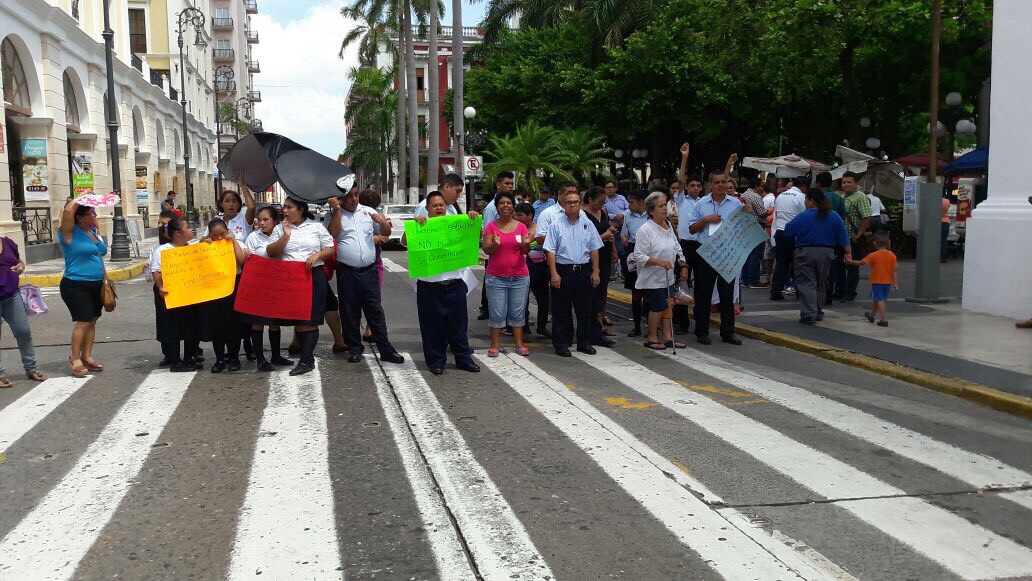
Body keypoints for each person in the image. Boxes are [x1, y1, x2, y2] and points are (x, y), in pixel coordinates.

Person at [404, 191, 480, 375]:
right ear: (427, 208)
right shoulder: (421, 226)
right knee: (432, 327)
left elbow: (476, 235)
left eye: (441, 205)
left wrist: (473, 219)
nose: (439, 208)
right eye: (434, 205)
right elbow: (405, 241)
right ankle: (436, 361)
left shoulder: (456, 223)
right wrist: (415, 225)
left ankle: (463, 358)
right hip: (429, 288)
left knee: (458, 325)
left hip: (455, 285)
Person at [327, 188, 405, 365]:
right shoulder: (334, 214)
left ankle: (386, 350)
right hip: (347, 272)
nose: (354, 199)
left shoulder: (368, 211)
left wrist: (381, 221)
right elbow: (333, 234)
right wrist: (337, 210)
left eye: (356, 195)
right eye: (349, 196)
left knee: (375, 311)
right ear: (341, 198)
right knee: (350, 312)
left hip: (369, 270)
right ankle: (354, 349)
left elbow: (385, 233)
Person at [264, 197, 337, 375]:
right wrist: (286, 235)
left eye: (289, 207)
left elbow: (330, 248)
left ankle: (306, 360)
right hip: (289, 277)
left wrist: (317, 256)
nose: (285, 211)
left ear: (301, 209)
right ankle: (306, 359)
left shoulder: (316, 227)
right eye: (284, 207)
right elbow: (270, 251)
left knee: (310, 320)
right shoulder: (279, 228)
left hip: (313, 275)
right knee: (298, 320)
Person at [544, 189, 603, 357]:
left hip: (583, 271)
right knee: (561, 310)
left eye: (576, 202)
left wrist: (596, 271)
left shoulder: (587, 224)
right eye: (569, 202)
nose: (572, 205)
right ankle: (561, 343)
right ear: (564, 204)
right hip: (564, 271)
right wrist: (554, 274)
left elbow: (594, 248)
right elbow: (550, 251)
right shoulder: (556, 224)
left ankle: (584, 343)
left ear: (580, 204)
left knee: (585, 309)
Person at [688, 171, 743, 345]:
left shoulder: (735, 203)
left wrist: (747, 214)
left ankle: (728, 332)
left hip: (727, 253)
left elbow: (741, 226)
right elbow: (691, 229)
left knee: (727, 294)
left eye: (723, 182)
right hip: (706, 252)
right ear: (710, 185)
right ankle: (701, 330)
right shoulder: (701, 204)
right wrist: (706, 220)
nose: (721, 185)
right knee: (703, 293)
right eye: (717, 182)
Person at [631, 191, 688, 350]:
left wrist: (682, 263)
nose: (665, 208)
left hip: (668, 275)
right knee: (658, 306)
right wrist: (659, 262)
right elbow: (638, 256)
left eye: (665, 205)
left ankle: (667, 336)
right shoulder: (645, 229)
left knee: (669, 305)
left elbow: (676, 247)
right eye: (661, 206)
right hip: (652, 277)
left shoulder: (668, 225)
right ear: (651, 210)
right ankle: (652, 337)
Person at [783, 189, 850, 324]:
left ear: (811, 201)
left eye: (806, 199)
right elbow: (843, 237)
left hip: (805, 252)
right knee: (821, 283)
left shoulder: (803, 216)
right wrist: (849, 253)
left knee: (807, 282)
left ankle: (809, 313)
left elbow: (788, 230)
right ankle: (818, 311)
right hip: (827, 253)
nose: (804, 202)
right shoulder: (834, 216)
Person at [58, 199, 108, 378]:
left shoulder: (91, 232)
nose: (94, 216)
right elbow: (67, 213)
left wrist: (96, 230)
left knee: (92, 321)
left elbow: (102, 251)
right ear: (79, 217)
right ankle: (75, 358)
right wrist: (81, 197)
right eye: (90, 213)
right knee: (83, 321)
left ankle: (87, 356)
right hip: (76, 284)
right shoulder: (68, 233)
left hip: (96, 284)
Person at [243, 206, 295, 371]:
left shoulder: (281, 234)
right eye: (260, 220)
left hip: (277, 284)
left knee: (275, 322)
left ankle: (276, 356)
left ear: (275, 221)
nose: (262, 223)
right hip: (258, 285)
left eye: (266, 219)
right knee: (258, 323)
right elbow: (248, 260)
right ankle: (260, 359)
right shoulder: (253, 237)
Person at [198, 218, 252, 373]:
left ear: (228, 230)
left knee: (233, 325)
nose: (220, 238)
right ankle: (219, 359)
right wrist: (203, 243)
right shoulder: (207, 245)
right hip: (214, 289)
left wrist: (233, 242)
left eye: (222, 233)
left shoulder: (237, 243)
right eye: (215, 235)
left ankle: (234, 357)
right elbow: (196, 260)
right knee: (216, 326)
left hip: (234, 287)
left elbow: (241, 260)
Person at [482, 191, 531, 356]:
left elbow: (525, 251)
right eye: (501, 203)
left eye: (508, 203)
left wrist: (526, 244)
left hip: (519, 277)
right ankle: (494, 346)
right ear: (497, 207)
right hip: (496, 278)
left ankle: (519, 344)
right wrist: (495, 244)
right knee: (497, 313)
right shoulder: (491, 226)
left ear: (513, 206)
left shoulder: (521, 227)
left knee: (517, 312)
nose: (505, 205)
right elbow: (487, 250)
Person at [150, 216, 203, 373]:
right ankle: (175, 361)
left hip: (189, 295)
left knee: (190, 327)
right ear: (179, 233)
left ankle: (188, 358)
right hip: (170, 295)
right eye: (187, 227)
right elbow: (156, 271)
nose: (191, 230)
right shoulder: (163, 250)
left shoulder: (191, 248)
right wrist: (161, 287)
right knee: (172, 327)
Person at [0, 235, 45, 386]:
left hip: (11, 294)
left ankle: (31, 368)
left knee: (23, 331)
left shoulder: (7, 243)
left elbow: (20, 262)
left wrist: (20, 267)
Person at [674, 143, 704, 335]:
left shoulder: (704, 202)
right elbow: (680, 180)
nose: (695, 188)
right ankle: (681, 322)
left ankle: (701, 321)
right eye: (692, 185)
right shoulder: (681, 200)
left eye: (698, 185)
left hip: (701, 245)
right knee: (682, 282)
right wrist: (684, 157)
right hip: (684, 245)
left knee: (701, 284)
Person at [583, 186, 618, 347]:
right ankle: (591, 329)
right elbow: (585, 239)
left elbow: (608, 228)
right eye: (599, 202)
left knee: (602, 292)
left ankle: (599, 327)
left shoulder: (602, 211)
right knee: (592, 294)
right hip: (590, 258)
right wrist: (602, 237)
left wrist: (613, 247)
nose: (601, 205)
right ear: (590, 199)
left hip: (604, 255)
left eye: (604, 202)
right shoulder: (583, 215)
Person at [478, 171, 515, 320]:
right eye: (507, 183)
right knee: (490, 283)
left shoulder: (515, 203)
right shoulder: (490, 209)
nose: (510, 186)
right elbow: (488, 233)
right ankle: (487, 309)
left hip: (513, 255)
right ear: (498, 185)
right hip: (495, 254)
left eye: (512, 183)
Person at [845, 232, 898, 327]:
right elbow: (894, 270)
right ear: (888, 243)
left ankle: (883, 319)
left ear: (874, 243)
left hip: (877, 282)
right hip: (887, 282)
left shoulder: (873, 255)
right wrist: (895, 283)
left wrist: (850, 261)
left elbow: (860, 263)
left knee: (880, 300)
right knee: (877, 300)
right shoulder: (892, 255)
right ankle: (872, 316)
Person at [770, 174, 808, 300]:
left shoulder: (780, 196)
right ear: (804, 186)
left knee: (781, 264)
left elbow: (776, 215)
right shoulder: (802, 197)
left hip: (780, 232)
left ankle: (775, 291)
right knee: (798, 264)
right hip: (795, 234)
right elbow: (804, 216)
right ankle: (799, 292)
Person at [515, 202, 550, 337]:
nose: (517, 218)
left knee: (544, 300)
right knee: (522, 300)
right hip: (521, 268)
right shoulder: (516, 229)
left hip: (540, 268)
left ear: (530, 215)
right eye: (516, 215)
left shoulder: (540, 230)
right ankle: (523, 327)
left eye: (520, 215)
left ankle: (542, 326)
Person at [620, 190, 650, 337]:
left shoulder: (652, 215)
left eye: (631, 202)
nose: (629, 205)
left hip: (650, 253)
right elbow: (624, 234)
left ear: (641, 201)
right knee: (636, 292)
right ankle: (637, 326)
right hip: (633, 252)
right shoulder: (627, 215)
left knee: (650, 292)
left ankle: (652, 326)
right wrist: (622, 237)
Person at [815, 172, 847, 304]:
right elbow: (843, 217)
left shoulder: (815, 198)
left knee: (816, 268)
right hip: (834, 238)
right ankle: (831, 293)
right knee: (834, 267)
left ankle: (818, 294)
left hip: (817, 238)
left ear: (818, 183)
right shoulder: (839, 198)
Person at [842, 171, 872, 301]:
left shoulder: (860, 197)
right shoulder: (844, 197)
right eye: (844, 182)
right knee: (841, 265)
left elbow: (867, 217)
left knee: (852, 267)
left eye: (849, 182)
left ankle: (850, 293)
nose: (846, 184)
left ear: (856, 184)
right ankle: (841, 291)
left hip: (853, 238)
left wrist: (859, 233)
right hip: (843, 239)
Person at [740, 177, 769, 288]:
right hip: (756, 225)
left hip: (745, 226)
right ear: (756, 186)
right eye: (761, 186)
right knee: (756, 254)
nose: (762, 188)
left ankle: (745, 279)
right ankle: (753, 280)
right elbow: (762, 213)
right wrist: (769, 211)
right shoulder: (755, 196)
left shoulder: (744, 195)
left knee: (747, 253)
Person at [941, 194, 952, 262]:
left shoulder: (934, 201)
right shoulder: (947, 201)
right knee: (944, 240)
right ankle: (942, 257)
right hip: (945, 222)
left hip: (936, 222)